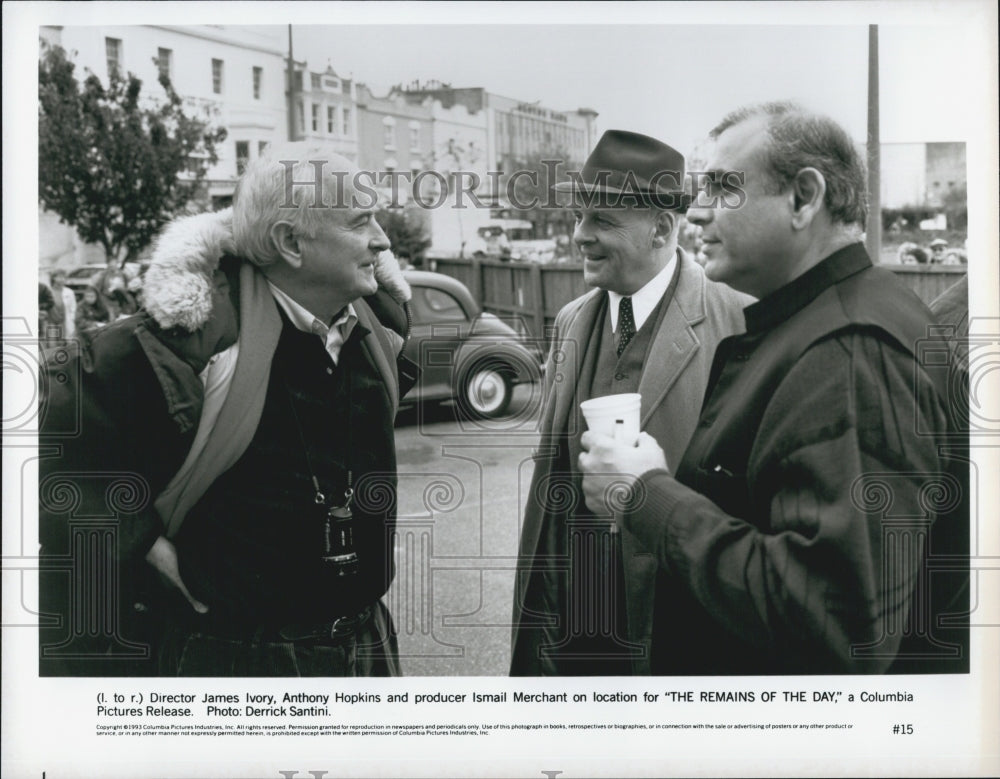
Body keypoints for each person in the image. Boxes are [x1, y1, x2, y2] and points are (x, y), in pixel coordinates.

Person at [578, 103, 969, 675]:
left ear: (804, 198)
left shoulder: (850, 351)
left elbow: (835, 623)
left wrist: (647, 495)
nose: (697, 213)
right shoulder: (839, 319)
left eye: (721, 188)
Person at [39, 142, 416, 677]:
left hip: (366, 642)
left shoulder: (378, 319)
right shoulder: (192, 334)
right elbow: (52, 459)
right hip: (239, 659)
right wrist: (140, 543)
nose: (382, 239)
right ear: (290, 242)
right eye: (361, 222)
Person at [510, 130, 751, 675]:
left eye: (602, 221)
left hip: (674, 631)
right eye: (579, 217)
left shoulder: (736, 319)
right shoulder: (572, 321)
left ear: (662, 228)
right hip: (572, 626)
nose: (580, 236)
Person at [50, 269, 77, 339]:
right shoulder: (48, 291)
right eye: (59, 277)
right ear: (53, 278)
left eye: (64, 277)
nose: (62, 279)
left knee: (65, 343)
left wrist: (72, 319)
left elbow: (73, 308)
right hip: (51, 323)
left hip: (65, 322)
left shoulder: (69, 292)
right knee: (52, 345)